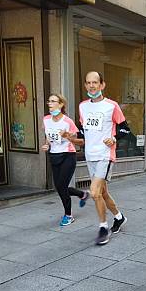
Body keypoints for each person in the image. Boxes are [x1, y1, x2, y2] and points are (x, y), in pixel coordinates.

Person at [79, 71, 128, 245]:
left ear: (102, 85)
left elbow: (125, 129)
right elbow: (83, 131)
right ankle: (119, 217)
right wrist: (71, 136)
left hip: (105, 155)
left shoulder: (111, 106)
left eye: (95, 82)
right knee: (103, 193)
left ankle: (103, 227)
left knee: (94, 192)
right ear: (85, 85)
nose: (92, 86)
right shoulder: (83, 106)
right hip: (89, 155)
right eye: (88, 83)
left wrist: (114, 138)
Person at [41, 93, 88, 226]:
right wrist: (47, 145)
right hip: (54, 156)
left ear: (61, 104)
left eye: (53, 101)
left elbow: (79, 140)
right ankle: (82, 194)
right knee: (59, 187)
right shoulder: (46, 120)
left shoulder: (68, 121)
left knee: (61, 186)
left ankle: (68, 215)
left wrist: (67, 135)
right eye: (49, 101)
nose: (49, 104)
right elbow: (48, 137)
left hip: (68, 155)